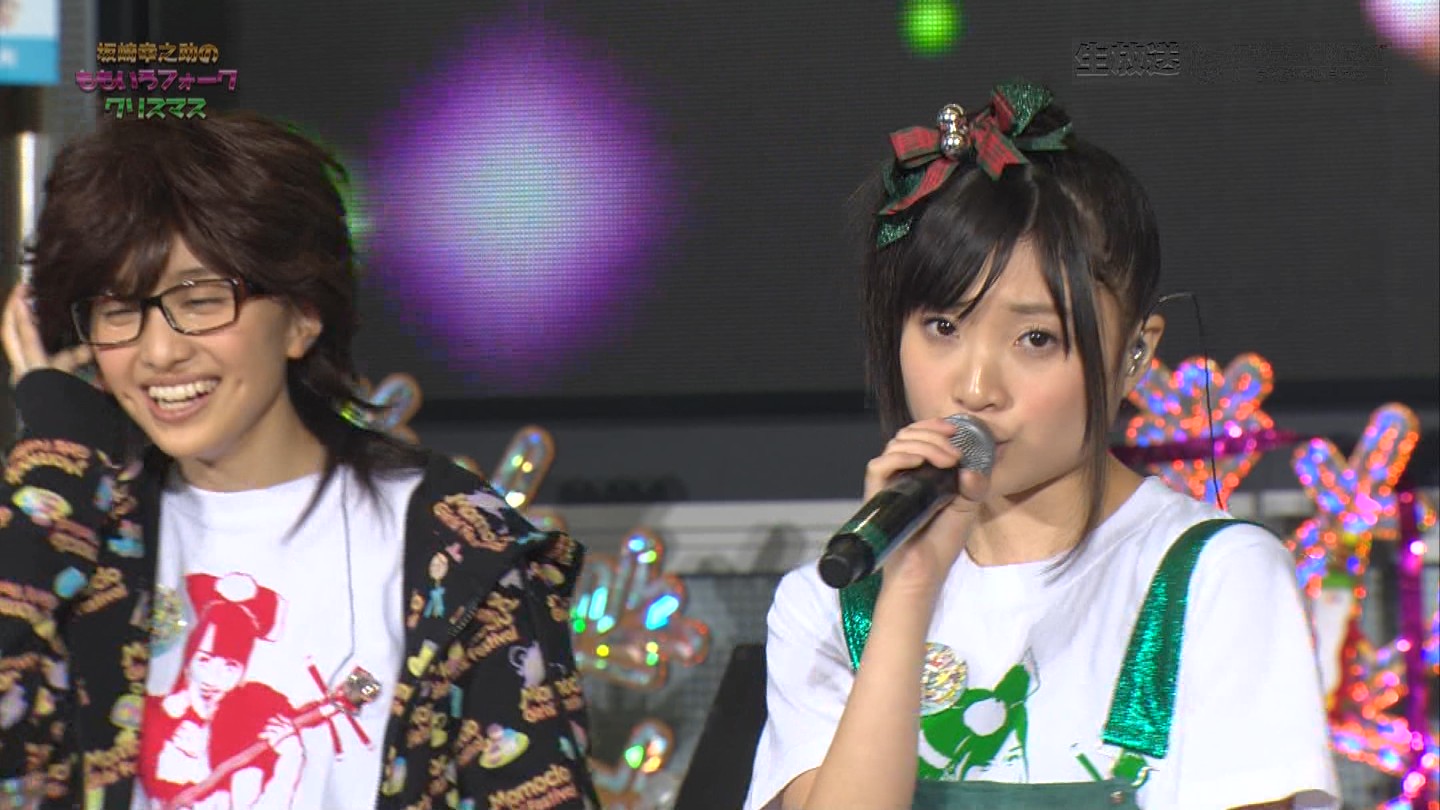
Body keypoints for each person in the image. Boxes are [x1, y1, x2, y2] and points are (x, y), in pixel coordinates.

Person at [745, 80, 1340, 809]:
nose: (974, 388)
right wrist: (907, 593)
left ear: (1134, 353)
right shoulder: (831, 605)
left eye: (1035, 338)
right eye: (942, 328)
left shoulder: (1214, 579)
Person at [0, 111, 599, 810]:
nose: (158, 352)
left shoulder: (456, 545)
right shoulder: (77, 525)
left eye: (200, 301)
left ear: (302, 316)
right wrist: (55, 452)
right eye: (118, 311)